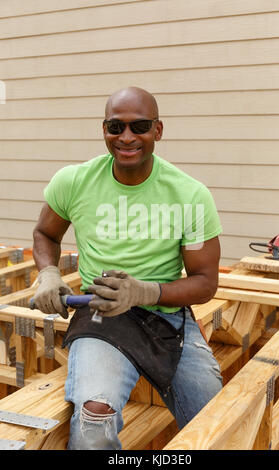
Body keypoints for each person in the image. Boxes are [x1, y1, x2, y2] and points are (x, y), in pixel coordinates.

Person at [32, 86, 223, 450]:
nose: (127, 137)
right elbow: (45, 233)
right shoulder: (74, 181)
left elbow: (204, 283)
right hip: (101, 314)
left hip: (165, 317)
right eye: (116, 127)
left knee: (216, 421)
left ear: (159, 130)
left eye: (140, 126)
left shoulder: (189, 195)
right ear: (103, 129)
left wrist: (146, 291)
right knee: (93, 423)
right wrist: (49, 273)